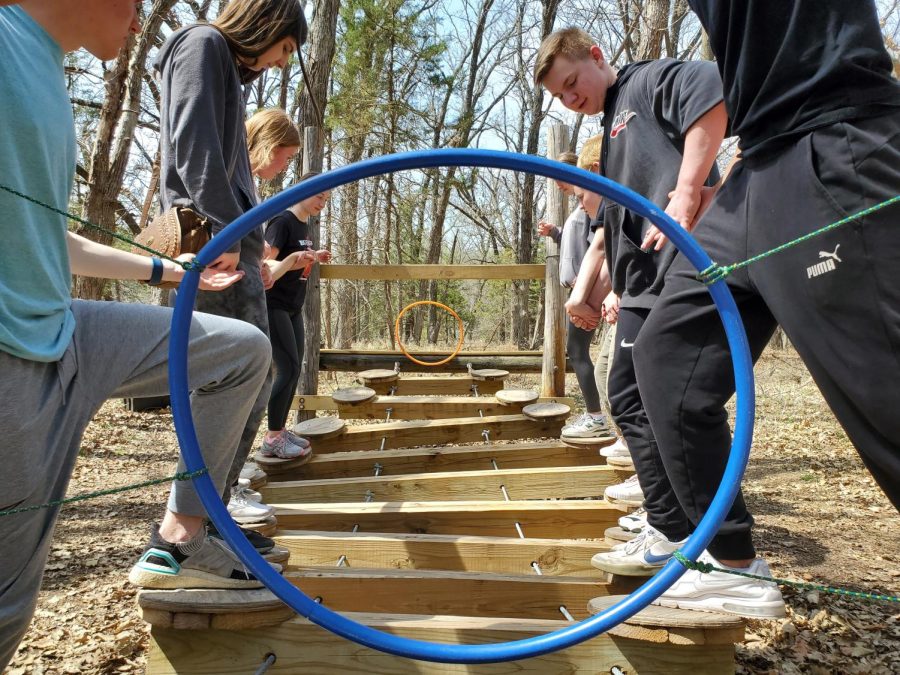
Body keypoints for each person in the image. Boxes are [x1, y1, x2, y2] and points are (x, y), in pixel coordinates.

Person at [0, 1, 275, 668]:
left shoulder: (46, 64)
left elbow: (46, 238)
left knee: (239, 352)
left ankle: (183, 532)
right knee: (7, 612)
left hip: (65, 330)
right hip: (12, 359)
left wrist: (165, 270)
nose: (140, 21)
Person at [631, 0, 900, 618]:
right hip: (752, 171)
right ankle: (733, 567)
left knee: (884, 395)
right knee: (665, 360)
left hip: (834, 140)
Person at [534, 27, 727, 575]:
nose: (570, 99)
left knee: (666, 398)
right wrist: (606, 288)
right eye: (559, 96)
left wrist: (689, 190)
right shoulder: (612, 128)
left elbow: (712, 90)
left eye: (572, 82)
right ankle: (668, 521)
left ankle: (689, 531)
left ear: (597, 55)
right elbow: (613, 227)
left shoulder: (642, 84)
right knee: (632, 395)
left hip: (676, 269)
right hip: (641, 281)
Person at [155, 0, 309, 546]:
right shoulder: (202, 45)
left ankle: (209, 519)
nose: (283, 62)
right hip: (214, 240)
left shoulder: (223, 65)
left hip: (232, 241)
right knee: (230, 380)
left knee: (251, 377)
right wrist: (220, 229)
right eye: (286, 47)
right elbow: (192, 145)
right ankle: (188, 533)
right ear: (265, 24)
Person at [538, 142, 612, 440]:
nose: (557, 183)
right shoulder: (582, 207)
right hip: (582, 293)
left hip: (592, 292)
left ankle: (597, 416)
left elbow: (601, 247)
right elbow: (579, 243)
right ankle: (599, 416)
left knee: (581, 353)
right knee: (593, 358)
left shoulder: (594, 205)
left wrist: (587, 299)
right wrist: (554, 232)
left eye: (560, 175)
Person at [263, 175, 332, 457]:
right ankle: (272, 437)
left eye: (326, 200)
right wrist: (295, 260)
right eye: (319, 196)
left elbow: (296, 259)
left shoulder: (305, 225)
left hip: (294, 305)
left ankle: (280, 430)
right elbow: (267, 263)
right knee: (288, 368)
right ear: (302, 191)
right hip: (274, 303)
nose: (322, 203)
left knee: (296, 367)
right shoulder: (282, 221)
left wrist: (315, 255)